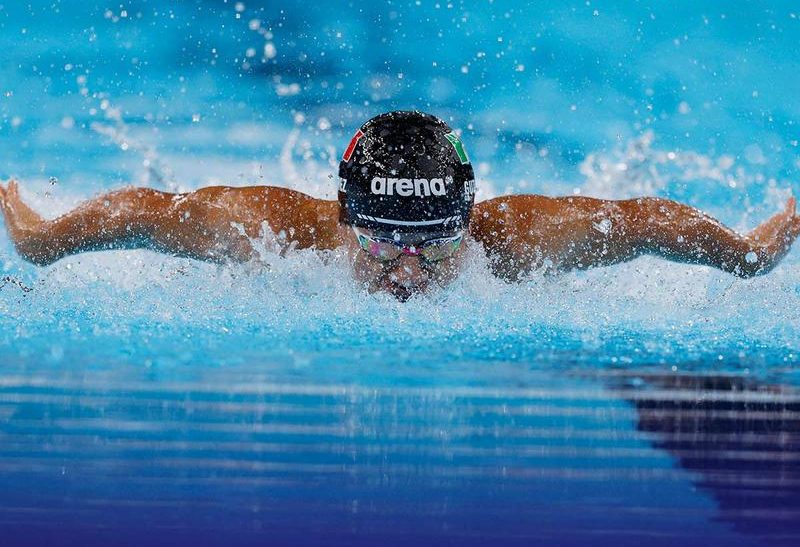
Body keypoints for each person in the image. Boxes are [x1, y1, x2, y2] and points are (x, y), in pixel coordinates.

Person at [1, 111, 798, 301]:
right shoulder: (279, 234)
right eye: (385, 245)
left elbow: (636, 223)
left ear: (467, 221)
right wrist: (39, 240)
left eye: (435, 245)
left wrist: (749, 254)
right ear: (345, 217)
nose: (408, 271)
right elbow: (148, 209)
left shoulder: (515, 241)